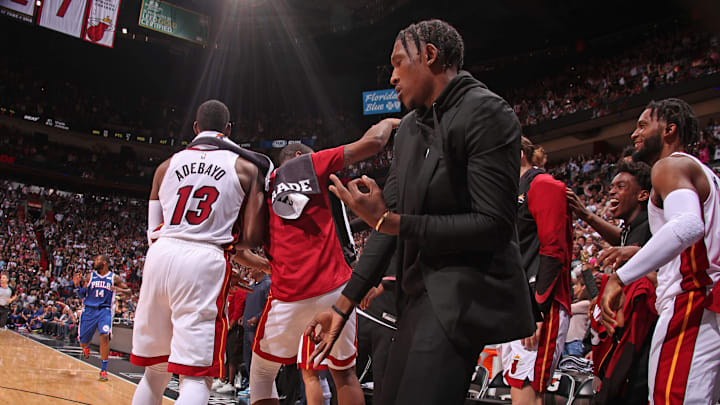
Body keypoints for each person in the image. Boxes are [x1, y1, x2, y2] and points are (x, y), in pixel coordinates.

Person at [304, 19, 535, 405]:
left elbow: (494, 225)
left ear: (429, 56)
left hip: (460, 295)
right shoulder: (409, 128)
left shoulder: (488, 113)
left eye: (398, 63)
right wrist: (342, 307)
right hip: (412, 298)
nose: (392, 76)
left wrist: (392, 222)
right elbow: (385, 224)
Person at [248, 117, 398, 405]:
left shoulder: (262, 187)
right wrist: (389, 122)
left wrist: (266, 265)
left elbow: (248, 241)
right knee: (344, 374)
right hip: (335, 290)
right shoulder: (311, 164)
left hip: (289, 294)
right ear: (302, 156)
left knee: (264, 373)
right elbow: (373, 143)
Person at [131, 99, 271, 405]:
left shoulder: (165, 167)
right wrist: (227, 247)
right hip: (203, 259)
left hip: (160, 256)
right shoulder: (246, 168)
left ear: (195, 128)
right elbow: (252, 236)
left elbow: (153, 231)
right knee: (196, 376)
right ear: (229, 129)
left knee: (154, 372)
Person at [601, 98, 720, 404]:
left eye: (642, 125)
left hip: (693, 301)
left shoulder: (670, 165)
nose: (633, 134)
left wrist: (620, 278)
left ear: (669, 130)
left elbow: (688, 225)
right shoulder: (704, 174)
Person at [569, 159, 657, 404]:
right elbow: (622, 241)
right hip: (622, 338)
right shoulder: (630, 229)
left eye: (620, 186)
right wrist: (586, 215)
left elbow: (661, 281)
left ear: (642, 194)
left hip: (643, 342)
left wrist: (635, 258)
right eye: (612, 186)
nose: (611, 191)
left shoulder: (655, 226)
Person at [500, 137, 572, 405]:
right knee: (518, 385)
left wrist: (536, 309)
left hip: (540, 304)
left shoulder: (542, 184)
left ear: (517, 155)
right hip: (517, 302)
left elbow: (553, 251)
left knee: (528, 390)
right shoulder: (512, 191)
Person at [73, 254, 130, 381]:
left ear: (104, 263)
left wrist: (118, 290)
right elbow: (82, 295)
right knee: (83, 342)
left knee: (104, 336)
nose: (94, 262)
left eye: (97, 260)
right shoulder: (90, 276)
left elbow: (129, 292)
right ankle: (85, 347)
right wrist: (77, 286)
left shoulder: (114, 278)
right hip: (89, 311)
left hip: (104, 311)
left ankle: (104, 370)